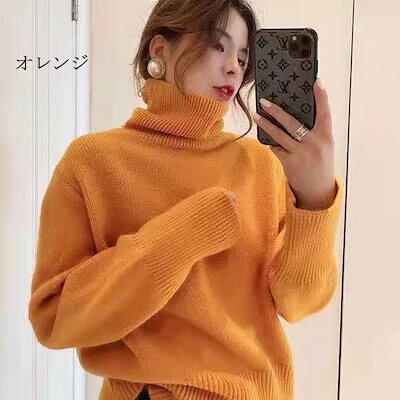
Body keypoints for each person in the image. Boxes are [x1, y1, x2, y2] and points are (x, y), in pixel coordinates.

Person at [28, 1, 344, 399]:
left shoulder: (260, 164)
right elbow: (55, 319)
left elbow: (299, 301)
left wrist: (315, 199)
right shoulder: (92, 162)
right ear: (160, 49)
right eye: (217, 45)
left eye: (243, 57)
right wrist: (180, 239)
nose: (233, 67)